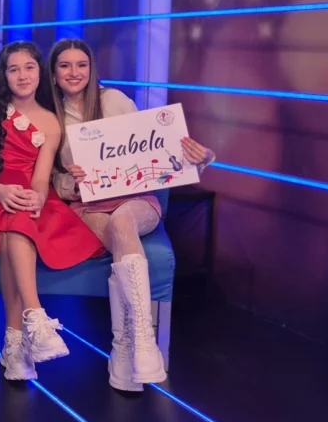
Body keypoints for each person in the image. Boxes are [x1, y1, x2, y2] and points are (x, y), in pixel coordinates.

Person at [49, 38, 215, 391]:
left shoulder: (115, 101)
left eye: (81, 64)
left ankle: (139, 338)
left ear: (91, 69)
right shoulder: (51, 117)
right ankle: (126, 348)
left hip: (136, 199)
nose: (74, 72)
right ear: (54, 73)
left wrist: (200, 158)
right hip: (87, 205)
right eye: (65, 65)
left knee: (122, 221)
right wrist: (71, 182)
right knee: (114, 226)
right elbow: (52, 180)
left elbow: (154, 146)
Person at [0, 41, 105, 382]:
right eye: (13, 69)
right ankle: (34, 318)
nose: (22, 75)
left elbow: (41, 179)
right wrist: (0, 190)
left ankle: (15, 343)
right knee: (11, 215)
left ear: (40, 73)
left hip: (30, 196)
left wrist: (39, 198)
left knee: (17, 218)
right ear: (4, 75)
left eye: (29, 67)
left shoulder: (50, 121)